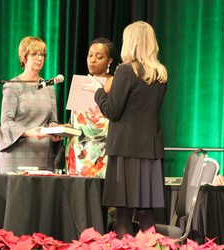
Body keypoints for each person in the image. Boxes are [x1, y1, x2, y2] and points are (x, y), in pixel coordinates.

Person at [82, 21, 168, 237]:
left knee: (123, 212)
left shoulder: (126, 71)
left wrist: (98, 90)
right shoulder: (160, 73)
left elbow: (112, 111)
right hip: (150, 150)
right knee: (146, 211)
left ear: (131, 42)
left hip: (125, 152)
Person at [0, 36, 63, 173]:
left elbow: (52, 120)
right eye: (35, 54)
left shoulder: (49, 87)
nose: (40, 58)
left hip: (43, 154)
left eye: (42, 55)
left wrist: (57, 130)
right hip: (17, 154)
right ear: (24, 57)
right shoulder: (13, 86)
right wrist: (28, 133)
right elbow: (6, 122)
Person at [65, 37, 117, 178]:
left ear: (109, 61)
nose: (92, 60)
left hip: (102, 153)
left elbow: (112, 118)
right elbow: (76, 123)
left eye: (99, 57)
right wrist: (64, 129)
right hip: (78, 153)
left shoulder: (114, 84)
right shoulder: (80, 84)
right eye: (90, 55)